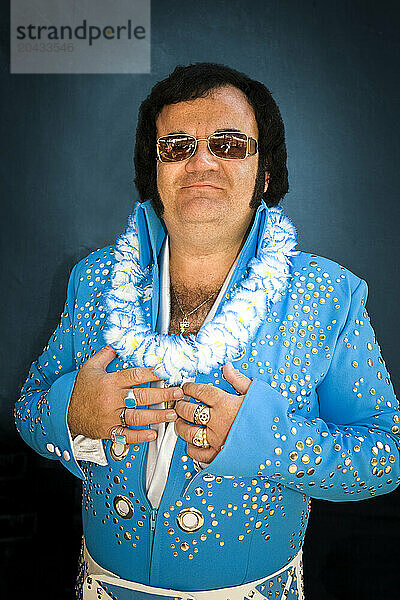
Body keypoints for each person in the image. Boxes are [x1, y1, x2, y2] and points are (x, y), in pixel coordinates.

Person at [15, 62, 400, 600]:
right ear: (155, 171)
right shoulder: (95, 279)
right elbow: (29, 405)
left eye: (228, 143)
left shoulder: (328, 297)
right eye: (176, 146)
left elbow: (386, 458)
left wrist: (269, 443)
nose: (201, 160)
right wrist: (70, 415)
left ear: (265, 172)